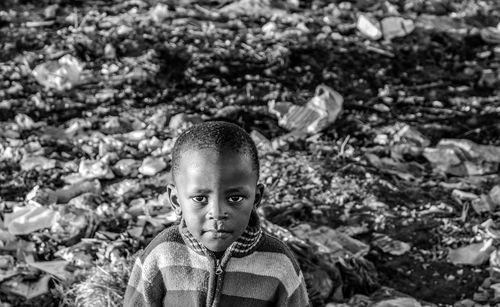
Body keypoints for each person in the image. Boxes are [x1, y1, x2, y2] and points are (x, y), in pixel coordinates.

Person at [124, 121, 310, 307]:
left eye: (235, 198)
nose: (218, 213)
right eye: (200, 199)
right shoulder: (162, 255)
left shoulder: (279, 264)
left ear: (256, 198)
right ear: (176, 200)